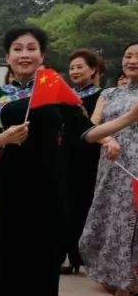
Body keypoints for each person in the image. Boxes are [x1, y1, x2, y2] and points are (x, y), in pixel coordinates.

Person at [0, 27, 94, 296]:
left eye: (31, 48)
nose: (24, 54)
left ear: (42, 55)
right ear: (8, 56)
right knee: (9, 261)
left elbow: (86, 133)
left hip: (51, 189)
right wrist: (6, 138)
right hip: (11, 188)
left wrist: (124, 123)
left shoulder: (58, 92)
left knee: (43, 265)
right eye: (17, 48)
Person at [80, 41, 138, 296]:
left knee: (128, 229)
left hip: (135, 174)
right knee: (104, 226)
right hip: (111, 169)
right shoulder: (110, 93)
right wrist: (108, 137)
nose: (133, 60)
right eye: (129, 55)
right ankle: (122, 283)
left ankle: (123, 295)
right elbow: (92, 125)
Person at [60, 49, 105, 275]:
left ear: (93, 70)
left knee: (84, 205)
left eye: (80, 67)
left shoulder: (102, 96)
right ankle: (68, 254)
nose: (75, 71)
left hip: (90, 156)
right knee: (65, 204)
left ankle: (82, 255)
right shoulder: (65, 95)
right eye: (72, 68)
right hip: (66, 155)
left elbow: (96, 127)